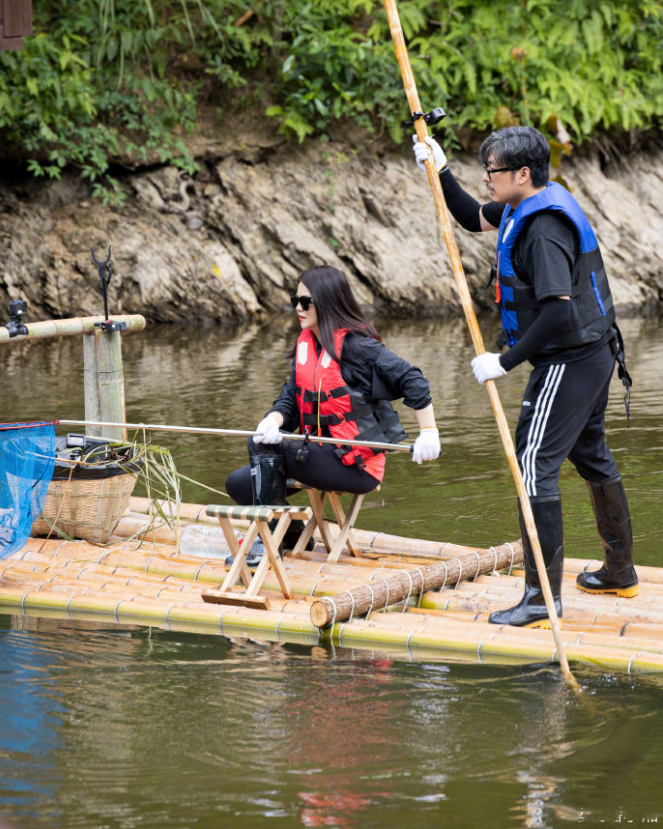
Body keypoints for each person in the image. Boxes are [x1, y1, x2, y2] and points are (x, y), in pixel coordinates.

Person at [413, 125, 637, 628]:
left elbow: (557, 313)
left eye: (492, 171)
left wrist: (504, 362)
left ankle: (540, 598)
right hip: (592, 353)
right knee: (591, 454)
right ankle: (620, 570)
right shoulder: (522, 205)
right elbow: (471, 217)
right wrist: (439, 167)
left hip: (571, 359)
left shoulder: (543, 231)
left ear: (522, 174)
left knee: (532, 462)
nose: (487, 180)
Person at [225, 264, 441, 567]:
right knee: (238, 483)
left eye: (305, 302)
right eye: (295, 301)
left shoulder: (357, 347)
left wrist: (428, 431)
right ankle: (291, 536)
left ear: (326, 302)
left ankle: (266, 542)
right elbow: (289, 398)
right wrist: (272, 420)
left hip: (356, 464)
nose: (298, 309)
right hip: (316, 453)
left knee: (262, 447)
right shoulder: (308, 346)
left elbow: (413, 379)